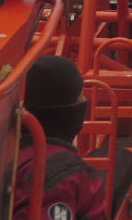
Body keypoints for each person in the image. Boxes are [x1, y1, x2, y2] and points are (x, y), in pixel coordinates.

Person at [13, 55, 109, 220]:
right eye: (80, 95)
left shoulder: (4, 151)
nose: (85, 100)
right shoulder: (64, 176)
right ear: (67, 111)